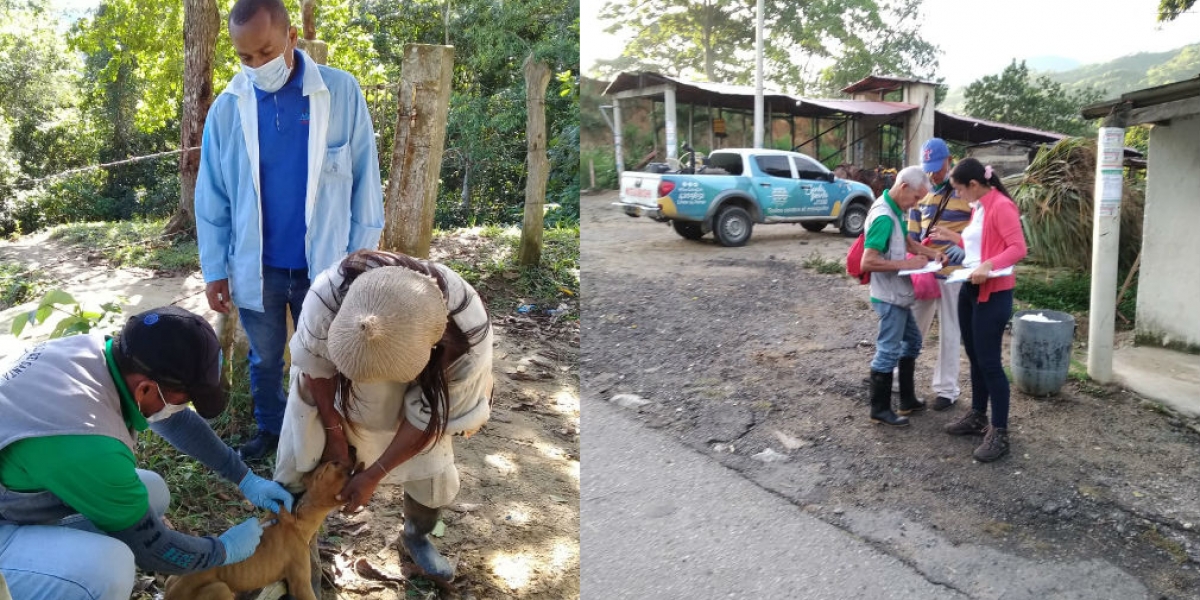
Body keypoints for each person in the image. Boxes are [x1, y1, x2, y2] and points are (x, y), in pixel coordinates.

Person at [195, 0, 385, 461]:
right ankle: (271, 430)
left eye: (265, 51)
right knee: (264, 358)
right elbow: (212, 197)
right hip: (257, 264)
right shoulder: (227, 108)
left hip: (326, 263)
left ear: (292, 38)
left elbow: (364, 179)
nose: (257, 65)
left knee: (326, 356)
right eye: (245, 58)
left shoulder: (339, 92)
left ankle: (329, 437)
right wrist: (215, 269)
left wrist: (362, 260)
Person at [0, 306, 295, 600]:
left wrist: (244, 477)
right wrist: (223, 550)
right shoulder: (88, 442)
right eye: (186, 400)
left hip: (18, 495)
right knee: (108, 569)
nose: (184, 408)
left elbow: (176, 421)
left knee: (152, 491)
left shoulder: (94, 353)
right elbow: (154, 550)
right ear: (144, 390)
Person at [274, 250, 494, 581]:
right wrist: (334, 437)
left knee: (431, 471)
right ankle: (296, 554)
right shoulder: (328, 295)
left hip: (425, 390)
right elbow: (316, 370)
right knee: (301, 455)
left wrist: (373, 474)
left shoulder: (467, 332)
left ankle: (416, 536)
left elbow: (426, 420)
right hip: (336, 387)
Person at [929, 158, 1027, 462]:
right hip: (970, 287)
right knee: (974, 356)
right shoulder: (981, 207)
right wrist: (952, 237)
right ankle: (977, 416)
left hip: (994, 293)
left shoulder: (1001, 206)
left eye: (960, 189)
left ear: (974, 184)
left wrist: (989, 265)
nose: (959, 195)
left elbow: (1017, 248)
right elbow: (980, 245)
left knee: (990, 363)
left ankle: (999, 432)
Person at [861, 166, 946, 427]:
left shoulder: (896, 210)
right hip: (888, 297)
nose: (917, 204)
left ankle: (907, 400)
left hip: (898, 295)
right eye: (917, 198)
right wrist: (909, 265)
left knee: (912, 342)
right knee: (888, 351)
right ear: (904, 187)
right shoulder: (884, 217)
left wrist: (933, 255)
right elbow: (868, 262)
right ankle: (880, 410)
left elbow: (908, 244)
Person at [906, 138, 972, 411]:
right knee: (912, 326)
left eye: (938, 167)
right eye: (929, 168)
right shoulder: (922, 189)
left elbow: (978, 230)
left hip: (954, 274)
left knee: (950, 329)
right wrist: (914, 254)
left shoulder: (966, 191)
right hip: (925, 270)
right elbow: (912, 228)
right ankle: (900, 378)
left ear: (949, 160)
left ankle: (946, 389)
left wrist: (963, 248)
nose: (934, 174)